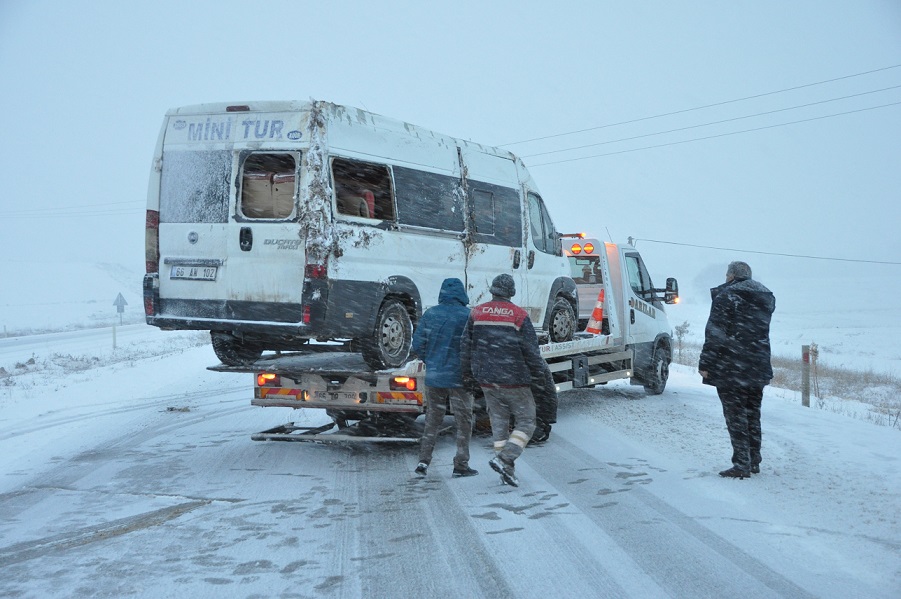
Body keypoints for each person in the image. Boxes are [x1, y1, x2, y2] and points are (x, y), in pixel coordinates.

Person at [460, 273, 551, 487]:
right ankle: (504, 459)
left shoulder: (476, 313)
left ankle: (506, 472)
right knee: (527, 422)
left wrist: (467, 375)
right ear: (511, 293)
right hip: (515, 379)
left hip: (487, 380)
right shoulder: (519, 316)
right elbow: (531, 352)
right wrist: (539, 377)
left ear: (492, 290)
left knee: (499, 427)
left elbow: (465, 346)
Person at [699, 261, 775, 479]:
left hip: (731, 367)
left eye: (726, 274)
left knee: (735, 416)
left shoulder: (727, 296)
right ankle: (753, 459)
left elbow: (716, 333)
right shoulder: (766, 297)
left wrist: (706, 363)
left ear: (731, 276)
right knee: (753, 413)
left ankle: (741, 463)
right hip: (757, 365)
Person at [411, 278, 478, 478]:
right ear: (462, 293)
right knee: (463, 422)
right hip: (460, 378)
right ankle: (461, 463)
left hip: (435, 377)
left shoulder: (430, 315)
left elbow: (417, 344)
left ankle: (423, 461)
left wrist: (431, 360)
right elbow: (475, 346)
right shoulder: (468, 315)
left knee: (432, 420)